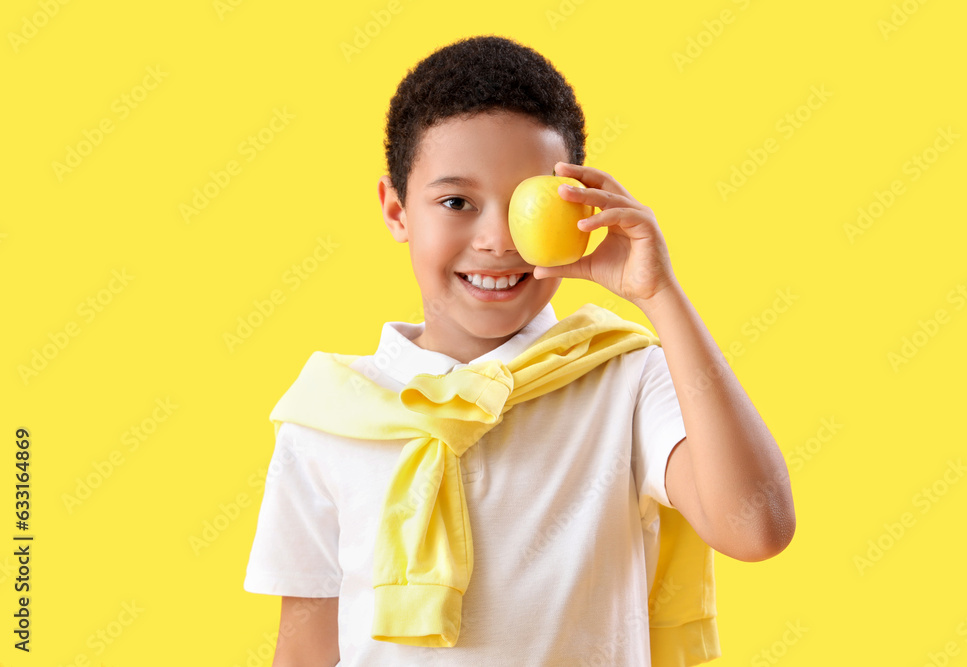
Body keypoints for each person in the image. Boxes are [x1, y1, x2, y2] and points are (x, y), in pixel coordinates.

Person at [243, 34, 795, 666]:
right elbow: (305, 652)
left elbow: (756, 528)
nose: (496, 239)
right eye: (456, 202)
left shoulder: (624, 380)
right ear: (397, 211)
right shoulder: (330, 415)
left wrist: (659, 294)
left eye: (526, 204)